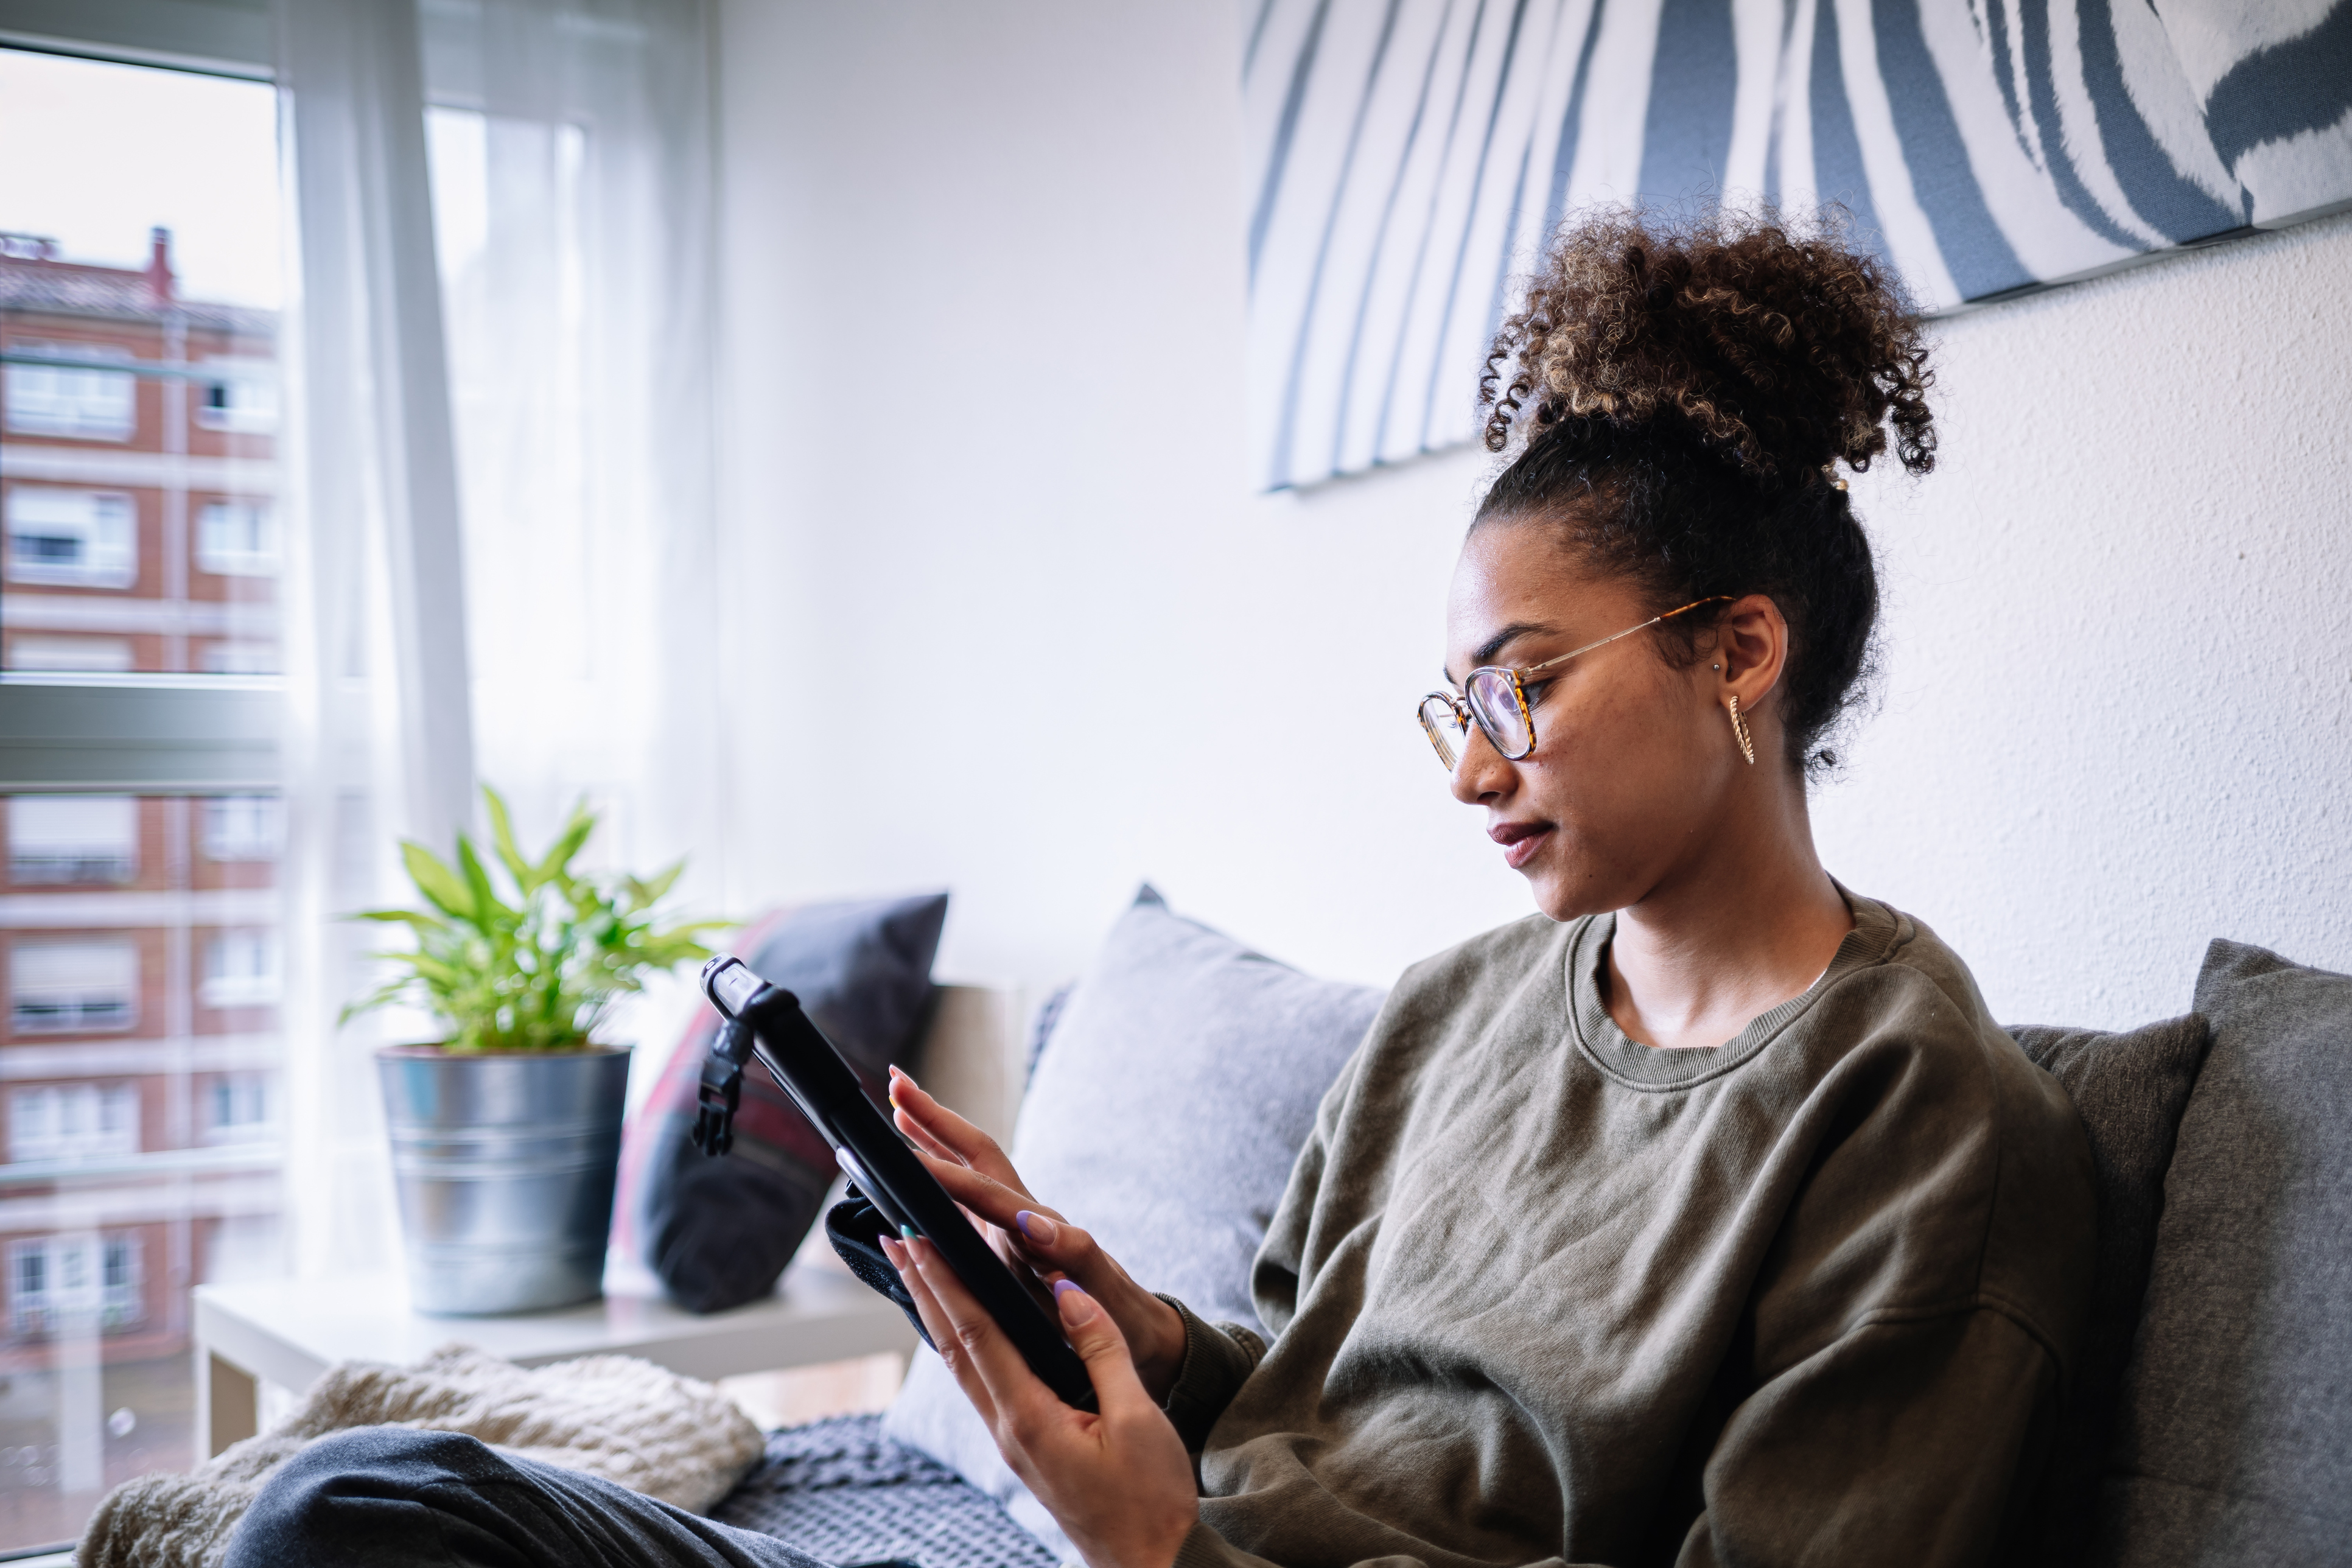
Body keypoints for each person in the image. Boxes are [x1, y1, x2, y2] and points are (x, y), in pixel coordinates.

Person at [223, 209, 2092, 1568]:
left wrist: (1162, 1560)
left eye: (1523, 686)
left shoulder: (1921, 1120)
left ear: (1740, 651)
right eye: (1458, 700)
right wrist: (1127, 1315)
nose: (1468, 765)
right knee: (355, 1507)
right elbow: (1314, 1406)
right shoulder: (1458, 1007)